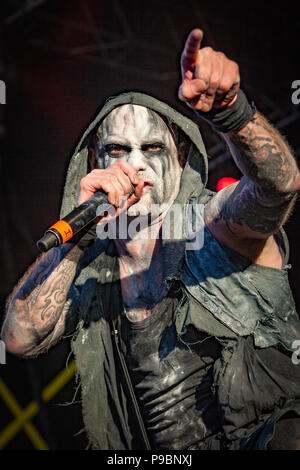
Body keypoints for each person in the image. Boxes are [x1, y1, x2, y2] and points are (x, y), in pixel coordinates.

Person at [2, 29, 300, 451]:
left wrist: (234, 114)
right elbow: (18, 337)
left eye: (153, 148)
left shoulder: (211, 225)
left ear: (180, 159)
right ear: (96, 161)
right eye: (119, 149)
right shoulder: (94, 269)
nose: (136, 164)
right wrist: (81, 236)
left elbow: (279, 187)